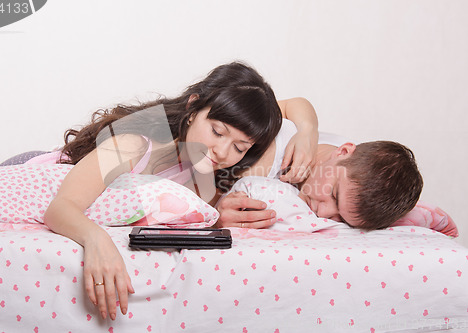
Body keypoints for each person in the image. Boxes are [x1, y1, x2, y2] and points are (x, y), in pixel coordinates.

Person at [41, 62, 320, 321]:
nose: (222, 152)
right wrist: (96, 240)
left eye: (239, 147)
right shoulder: (133, 146)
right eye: (217, 132)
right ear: (193, 107)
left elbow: (286, 106)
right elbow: (60, 208)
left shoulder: (210, 179)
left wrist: (307, 130)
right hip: (37, 168)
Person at [214, 118, 424, 231]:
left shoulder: (350, 177)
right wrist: (215, 215)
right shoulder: (275, 151)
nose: (323, 214)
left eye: (341, 219)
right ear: (342, 151)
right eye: (333, 194)